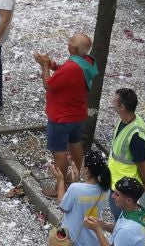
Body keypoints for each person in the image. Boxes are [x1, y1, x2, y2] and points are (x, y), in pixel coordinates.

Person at [32, 33, 97, 196]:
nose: (68, 44)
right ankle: (76, 176)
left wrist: (44, 66)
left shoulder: (71, 67)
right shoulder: (88, 61)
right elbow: (67, 72)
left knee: (58, 150)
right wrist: (52, 64)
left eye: (70, 42)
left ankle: (60, 186)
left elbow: (49, 85)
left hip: (61, 117)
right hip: (77, 113)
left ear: (73, 48)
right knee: (75, 143)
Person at [55, 153, 111, 245]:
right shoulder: (106, 190)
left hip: (73, 239)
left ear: (86, 169)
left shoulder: (75, 188)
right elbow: (87, 195)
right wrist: (76, 181)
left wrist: (60, 180)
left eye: (82, 164)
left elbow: (63, 207)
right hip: (93, 239)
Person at [105, 88, 145, 197]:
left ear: (122, 107)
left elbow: (143, 165)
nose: (112, 102)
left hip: (125, 190)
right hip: (116, 181)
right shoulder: (125, 119)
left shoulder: (136, 136)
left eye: (114, 100)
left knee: (120, 213)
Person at [82, 178, 145, 246]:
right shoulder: (138, 210)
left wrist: (97, 230)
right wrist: (103, 225)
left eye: (117, 195)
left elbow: (124, 231)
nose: (112, 196)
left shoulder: (127, 230)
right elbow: (119, 229)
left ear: (128, 200)